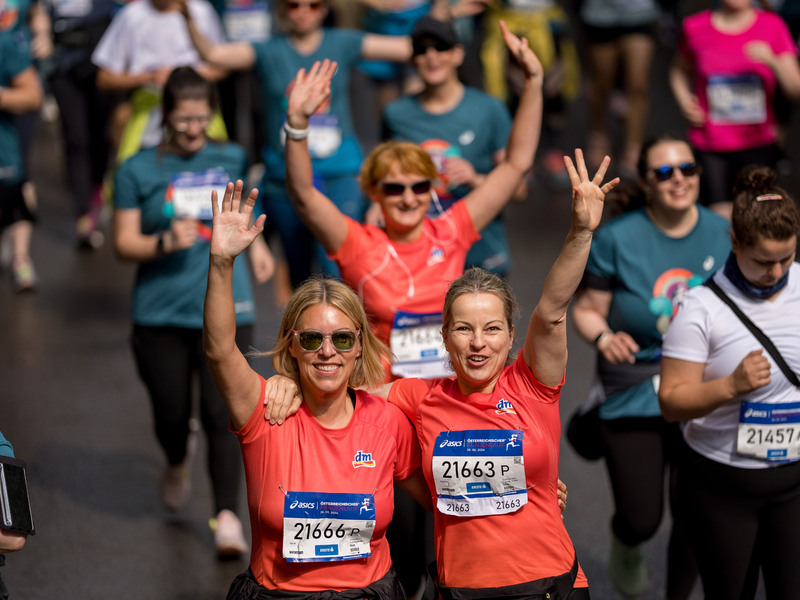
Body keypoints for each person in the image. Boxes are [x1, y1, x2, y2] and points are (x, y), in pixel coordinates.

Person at [203, 179, 431, 598]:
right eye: (312, 339)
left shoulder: (387, 423)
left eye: (342, 338)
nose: (327, 352)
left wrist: (530, 489)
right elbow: (219, 350)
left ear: (361, 344)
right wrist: (221, 262)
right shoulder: (265, 410)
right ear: (292, 343)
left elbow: (448, 499)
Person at [285, 21, 542, 381]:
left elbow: (515, 165)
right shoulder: (358, 244)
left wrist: (533, 84)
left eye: (420, 187)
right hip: (384, 403)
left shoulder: (450, 230)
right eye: (394, 188)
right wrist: (297, 123)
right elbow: (304, 195)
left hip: (446, 400)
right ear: (374, 193)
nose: (408, 198)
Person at [111, 66, 273, 558]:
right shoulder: (136, 168)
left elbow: (247, 216)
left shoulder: (230, 158)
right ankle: (177, 457)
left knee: (226, 412)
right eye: (183, 119)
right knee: (171, 414)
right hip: (159, 312)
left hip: (228, 307)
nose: (193, 128)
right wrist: (162, 240)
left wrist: (262, 250)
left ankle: (226, 516)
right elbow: (122, 243)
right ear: (166, 116)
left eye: (202, 117)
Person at [570, 133, 730, 599]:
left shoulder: (724, 233)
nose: (679, 179)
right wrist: (603, 335)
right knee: (643, 517)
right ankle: (628, 539)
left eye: (688, 169)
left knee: (696, 509)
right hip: (635, 384)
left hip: (703, 383)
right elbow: (586, 309)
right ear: (647, 181)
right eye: (665, 172)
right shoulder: (619, 238)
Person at [180, 0, 418, 289]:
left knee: (340, 270)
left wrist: (445, 12)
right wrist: (186, 14)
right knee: (300, 278)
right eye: (293, 5)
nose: (303, 11)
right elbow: (212, 53)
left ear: (325, 9)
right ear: (281, 9)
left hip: (338, 175)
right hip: (285, 179)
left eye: (313, 5)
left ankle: (346, 333)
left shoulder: (343, 42)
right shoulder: (267, 50)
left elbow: (408, 47)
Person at [659, 165, 800, 599]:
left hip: (794, 481)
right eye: (763, 261)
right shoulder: (700, 307)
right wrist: (732, 386)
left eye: (786, 258)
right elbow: (672, 401)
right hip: (722, 484)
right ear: (735, 242)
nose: (776, 272)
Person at [382, 15, 525, 279]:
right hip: (419, 259)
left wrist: (475, 179)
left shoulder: (490, 110)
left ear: (458, 54)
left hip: (481, 257)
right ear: (414, 59)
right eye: (422, 50)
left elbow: (519, 189)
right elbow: (383, 184)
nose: (432, 56)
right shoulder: (395, 114)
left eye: (441, 47)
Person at [669, 0, 800, 219]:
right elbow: (678, 71)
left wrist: (773, 61)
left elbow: (795, 89)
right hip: (711, 142)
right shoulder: (695, 26)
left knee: (756, 215)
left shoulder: (772, 25)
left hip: (758, 142)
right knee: (718, 216)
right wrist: (685, 101)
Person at [578, 0, 660, 175]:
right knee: (601, 83)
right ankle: (598, 133)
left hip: (641, 16)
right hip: (599, 16)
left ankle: (633, 146)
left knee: (639, 84)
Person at [0, 29, 43, 291]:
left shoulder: (6, 42)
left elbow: (33, 95)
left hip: (4, 149)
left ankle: (20, 257)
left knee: (15, 192)